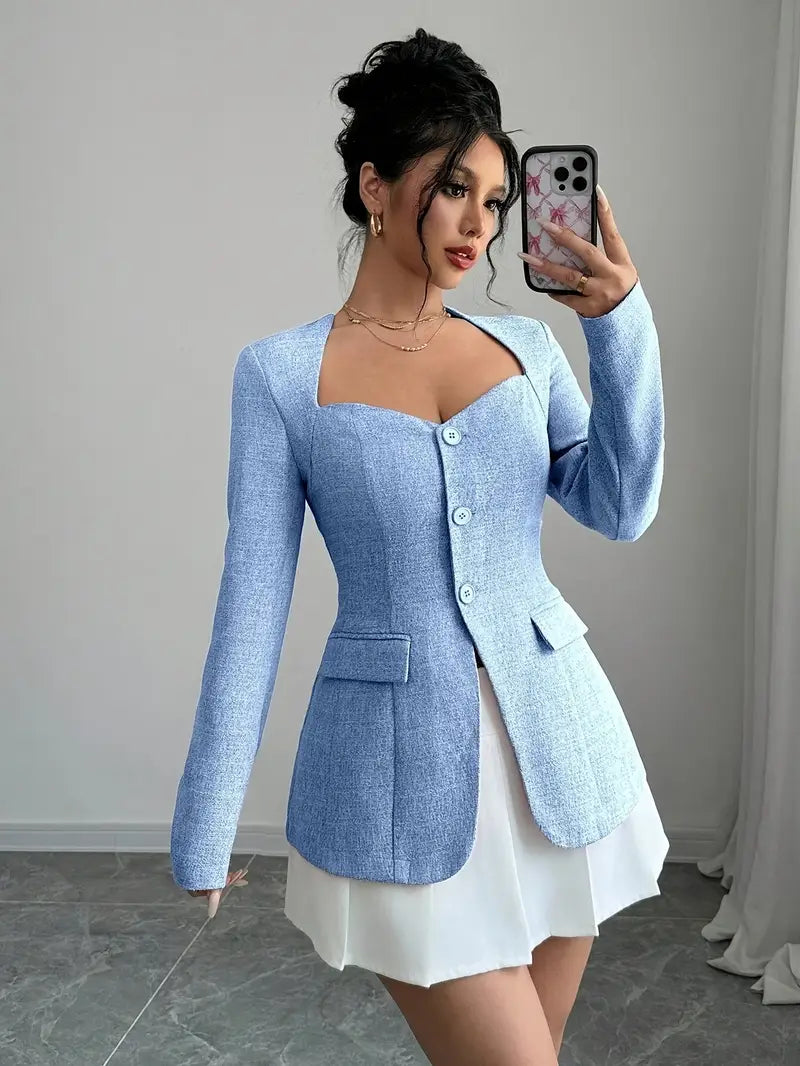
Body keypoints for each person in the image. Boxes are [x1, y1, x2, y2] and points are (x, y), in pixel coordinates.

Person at [171, 26, 669, 1066]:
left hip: (558, 754)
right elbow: (251, 607)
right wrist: (205, 824)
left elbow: (620, 506)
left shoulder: (527, 348)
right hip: (393, 779)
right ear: (374, 187)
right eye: (452, 189)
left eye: (495, 200)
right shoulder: (281, 375)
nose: (479, 224)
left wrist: (619, 324)